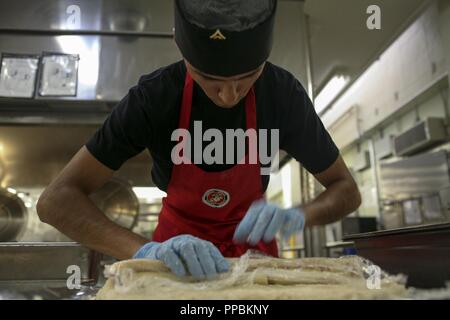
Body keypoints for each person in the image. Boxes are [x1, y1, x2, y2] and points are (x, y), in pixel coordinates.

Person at [37, 0, 361, 280]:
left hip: (255, 262)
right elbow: (56, 201)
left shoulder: (282, 95)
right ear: (181, 47)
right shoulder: (154, 98)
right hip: (174, 260)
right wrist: (147, 250)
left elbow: (346, 190)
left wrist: (301, 215)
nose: (229, 95)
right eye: (210, 78)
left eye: (248, 76)